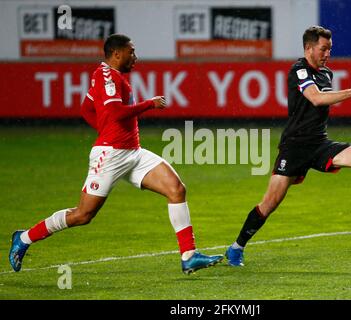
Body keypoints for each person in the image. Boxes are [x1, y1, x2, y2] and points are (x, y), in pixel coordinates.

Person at [9, 34, 223, 274]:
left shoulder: (106, 76)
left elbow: (86, 108)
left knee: (176, 189)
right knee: (83, 215)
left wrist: (106, 129)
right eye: (131, 52)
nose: (135, 57)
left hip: (133, 152)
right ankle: (24, 238)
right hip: (110, 155)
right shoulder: (107, 76)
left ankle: (189, 256)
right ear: (117, 53)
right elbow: (114, 112)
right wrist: (148, 104)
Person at [225, 26, 351, 267]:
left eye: (330, 49)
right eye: (323, 48)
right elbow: (316, 98)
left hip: (319, 143)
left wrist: (344, 93)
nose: (327, 53)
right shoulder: (298, 70)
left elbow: (322, 102)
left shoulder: (326, 73)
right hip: (294, 147)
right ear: (308, 48)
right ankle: (236, 248)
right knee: (270, 203)